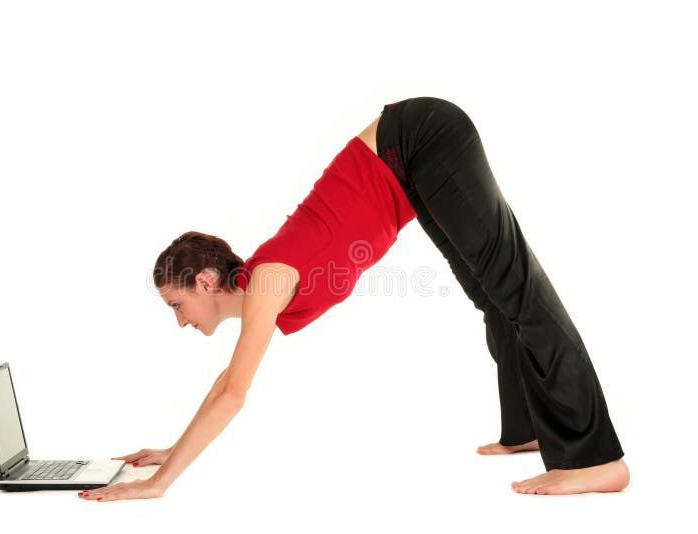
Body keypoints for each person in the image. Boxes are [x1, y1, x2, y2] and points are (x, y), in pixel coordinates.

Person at [78, 97, 630, 502]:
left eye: (176, 305)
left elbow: (231, 390)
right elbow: (225, 385)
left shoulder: (266, 281)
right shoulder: (262, 288)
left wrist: (161, 482)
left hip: (419, 140)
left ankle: (598, 459)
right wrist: (170, 452)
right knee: (492, 294)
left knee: (517, 288)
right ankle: (527, 430)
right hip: (409, 168)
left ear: (203, 283)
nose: (179, 322)